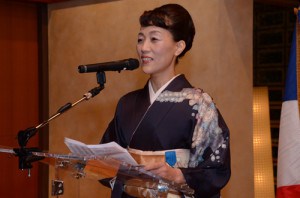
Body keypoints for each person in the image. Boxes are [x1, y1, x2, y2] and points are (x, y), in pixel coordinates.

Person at [100, 3, 231, 198]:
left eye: (154, 39)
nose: (144, 48)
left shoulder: (199, 104)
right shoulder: (127, 103)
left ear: (178, 47)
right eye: (140, 39)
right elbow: (105, 159)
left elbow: (216, 168)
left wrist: (179, 175)